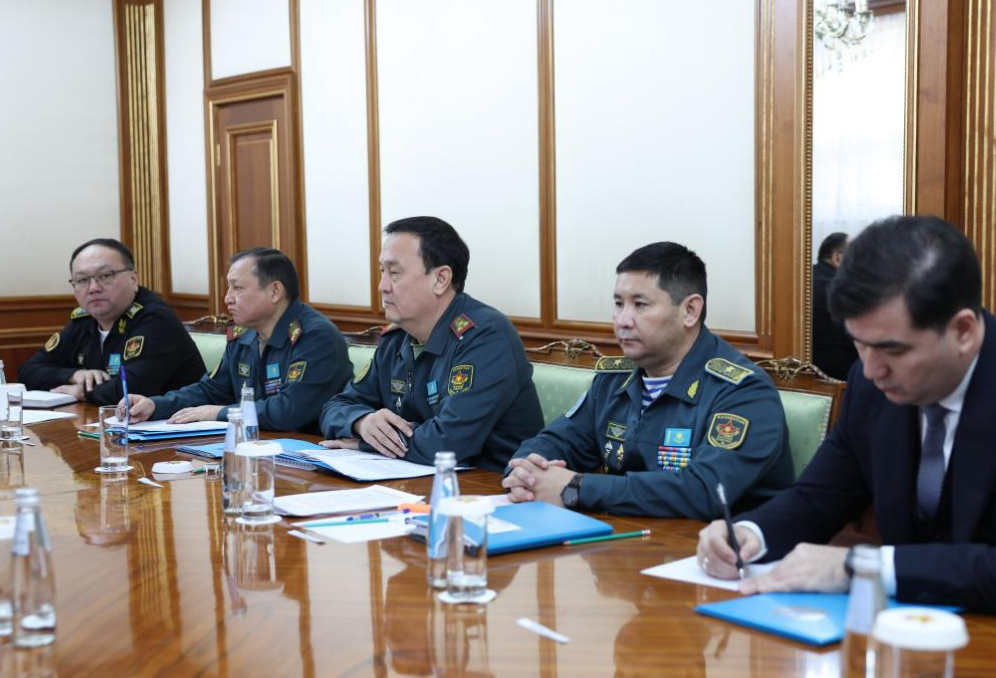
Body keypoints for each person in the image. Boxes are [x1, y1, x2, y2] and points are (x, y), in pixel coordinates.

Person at [696, 215, 996, 633]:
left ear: (963, 330)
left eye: (893, 350)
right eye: (859, 343)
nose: (871, 369)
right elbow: (819, 497)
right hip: (920, 628)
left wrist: (861, 567)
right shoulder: (871, 384)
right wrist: (750, 534)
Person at [502, 242, 792, 520]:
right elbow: (556, 440)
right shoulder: (613, 380)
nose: (623, 320)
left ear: (690, 311)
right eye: (619, 304)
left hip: (714, 547)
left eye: (640, 305)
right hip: (627, 538)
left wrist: (577, 488)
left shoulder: (742, 391)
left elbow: (703, 491)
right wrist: (527, 471)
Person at [319, 216, 543, 471]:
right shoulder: (397, 338)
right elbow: (334, 407)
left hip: (488, 486)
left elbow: (448, 443)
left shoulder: (486, 337)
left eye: (394, 273)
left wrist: (367, 444)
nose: (382, 286)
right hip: (412, 478)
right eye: (382, 272)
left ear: (440, 279)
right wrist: (362, 422)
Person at [128, 248, 350, 432]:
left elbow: (288, 411)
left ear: (275, 291)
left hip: (308, 452)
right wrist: (156, 405)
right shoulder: (243, 335)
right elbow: (211, 390)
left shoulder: (316, 337)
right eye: (229, 287)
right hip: (254, 444)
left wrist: (219, 413)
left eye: (238, 288)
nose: (227, 298)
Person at [19, 238, 206, 405]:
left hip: (173, 426)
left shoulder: (156, 320)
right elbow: (29, 372)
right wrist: (74, 375)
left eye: (105, 276)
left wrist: (81, 391)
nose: (93, 288)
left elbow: (129, 390)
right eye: (82, 280)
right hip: (108, 423)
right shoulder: (84, 321)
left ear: (133, 279)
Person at [811, 232, 858, 380]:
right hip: (840, 374)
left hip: (805, 370)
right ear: (837, 258)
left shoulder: (802, 278)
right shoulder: (841, 289)